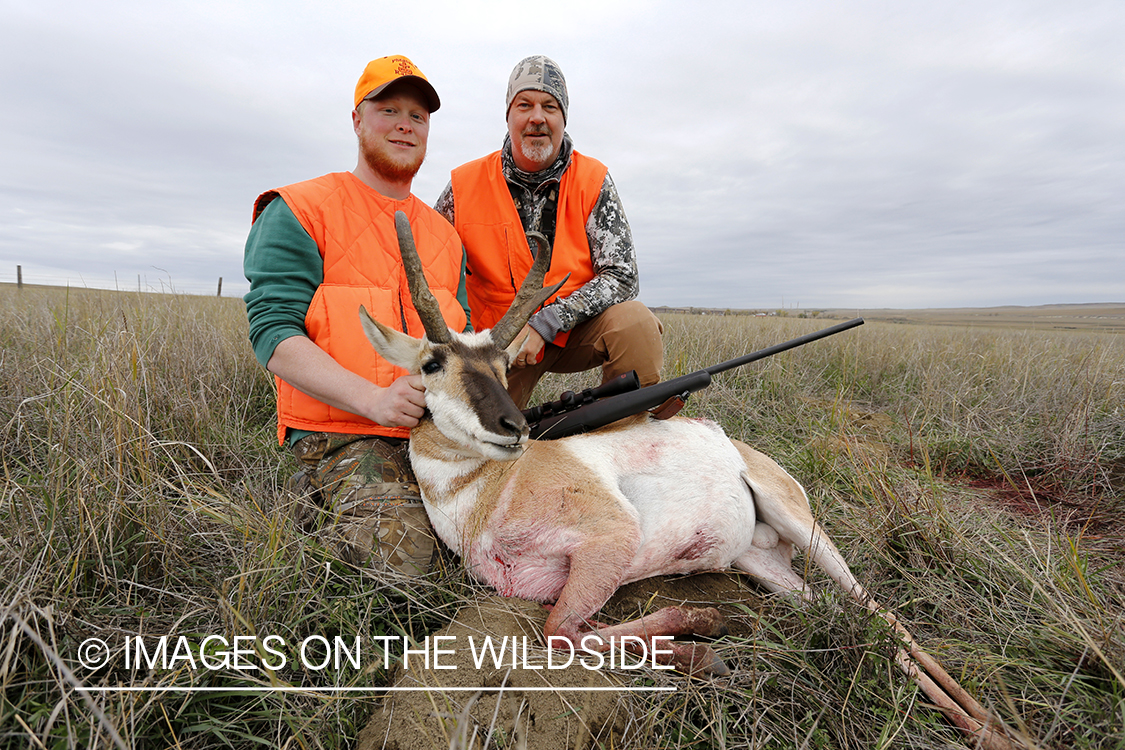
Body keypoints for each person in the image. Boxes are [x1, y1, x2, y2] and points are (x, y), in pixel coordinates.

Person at [243, 55, 470, 576]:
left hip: (432, 431)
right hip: (341, 433)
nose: (404, 125)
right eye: (388, 109)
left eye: (418, 116)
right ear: (357, 120)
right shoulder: (300, 209)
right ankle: (310, 512)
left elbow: (458, 342)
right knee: (410, 566)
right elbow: (274, 335)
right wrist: (374, 400)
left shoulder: (445, 236)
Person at [435, 55, 663, 410]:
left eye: (550, 106)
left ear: (563, 118)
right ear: (509, 115)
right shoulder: (464, 186)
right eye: (524, 104)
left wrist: (549, 322)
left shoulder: (592, 181)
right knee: (478, 437)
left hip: (572, 330)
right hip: (496, 343)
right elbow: (434, 268)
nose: (537, 117)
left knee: (634, 324)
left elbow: (623, 276)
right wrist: (469, 342)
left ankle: (620, 430)